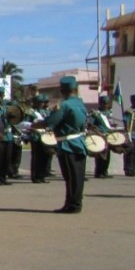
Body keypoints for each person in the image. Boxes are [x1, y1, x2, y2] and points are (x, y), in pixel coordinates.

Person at [33, 75, 87, 213]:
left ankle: (73, 205)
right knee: (78, 176)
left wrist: (34, 125)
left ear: (62, 90)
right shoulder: (81, 104)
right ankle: (74, 203)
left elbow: (51, 122)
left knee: (70, 177)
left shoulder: (65, 105)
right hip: (80, 142)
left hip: (68, 144)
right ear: (75, 89)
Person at [88, 94, 115, 180]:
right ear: (100, 103)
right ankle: (99, 172)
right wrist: (99, 133)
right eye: (104, 103)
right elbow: (90, 125)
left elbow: (109, 124)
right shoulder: (95, 114)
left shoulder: (108, 113)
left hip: (107, 136)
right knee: (100, 156)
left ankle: (104, 172)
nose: (106, 105)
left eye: (107, 103)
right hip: (100, 136)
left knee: (107, 155)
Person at [27, 93, 52, 184]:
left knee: (45, 157)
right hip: (36, 136)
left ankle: (42, 176)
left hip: (45, 136)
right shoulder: (30, 112)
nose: (42, 104)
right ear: (35, 103)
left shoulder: (45, 112)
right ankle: (35, 176)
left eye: (42, 102)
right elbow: (26, 123)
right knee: (36, 158)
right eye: (40, 102)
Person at [123, 94, 135, 177]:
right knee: (129, 153)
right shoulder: (129, 112)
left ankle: (133, 169)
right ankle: (128, 170)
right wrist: (128, 134)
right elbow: (126, 122)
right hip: (131, 135)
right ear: (132, 102)